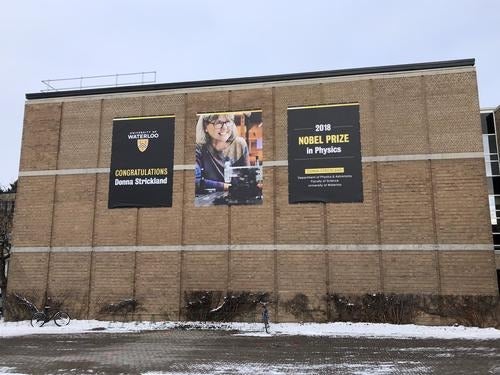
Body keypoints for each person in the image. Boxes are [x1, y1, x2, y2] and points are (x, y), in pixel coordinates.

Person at [195, 113, 250, 194]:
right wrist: (227, 187)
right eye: (218, 123)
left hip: (237, 197)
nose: (224, 127)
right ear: (205, 126)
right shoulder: (198, 148)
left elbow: (249, 178)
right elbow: (195, 182)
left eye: (228, 122)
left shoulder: (240, 144)